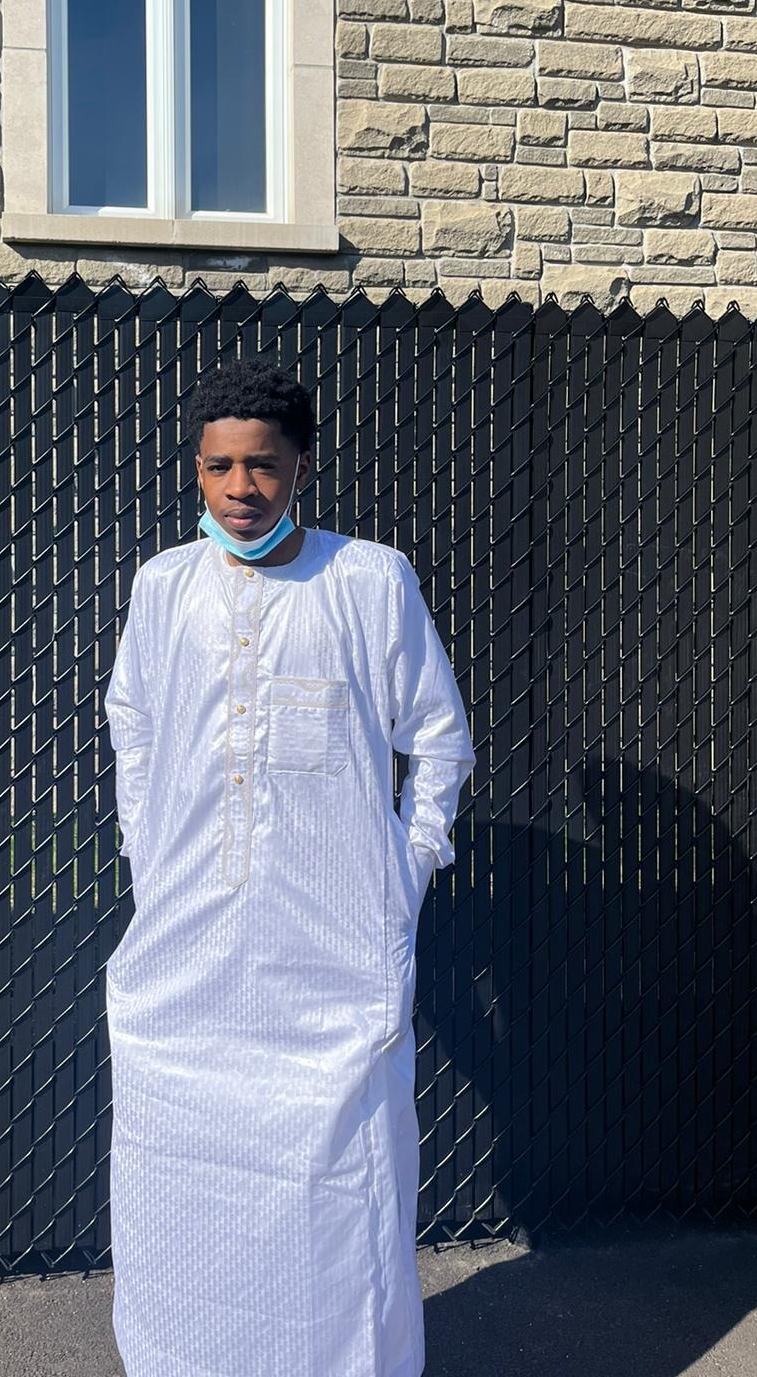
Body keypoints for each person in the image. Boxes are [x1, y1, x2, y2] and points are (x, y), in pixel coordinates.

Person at [102, 357, 476, 1377]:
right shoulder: (165, 586)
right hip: (187, 959)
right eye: (219, 466)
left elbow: (439, 741)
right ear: (196, 470)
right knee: (179, 1181)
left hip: (333, 963)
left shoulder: (368, 581)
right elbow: (133, 725)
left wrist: (403, 878)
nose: (241, 488)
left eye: (262, 464)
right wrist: (152, 859)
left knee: (340, 1196)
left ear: (300, 466)